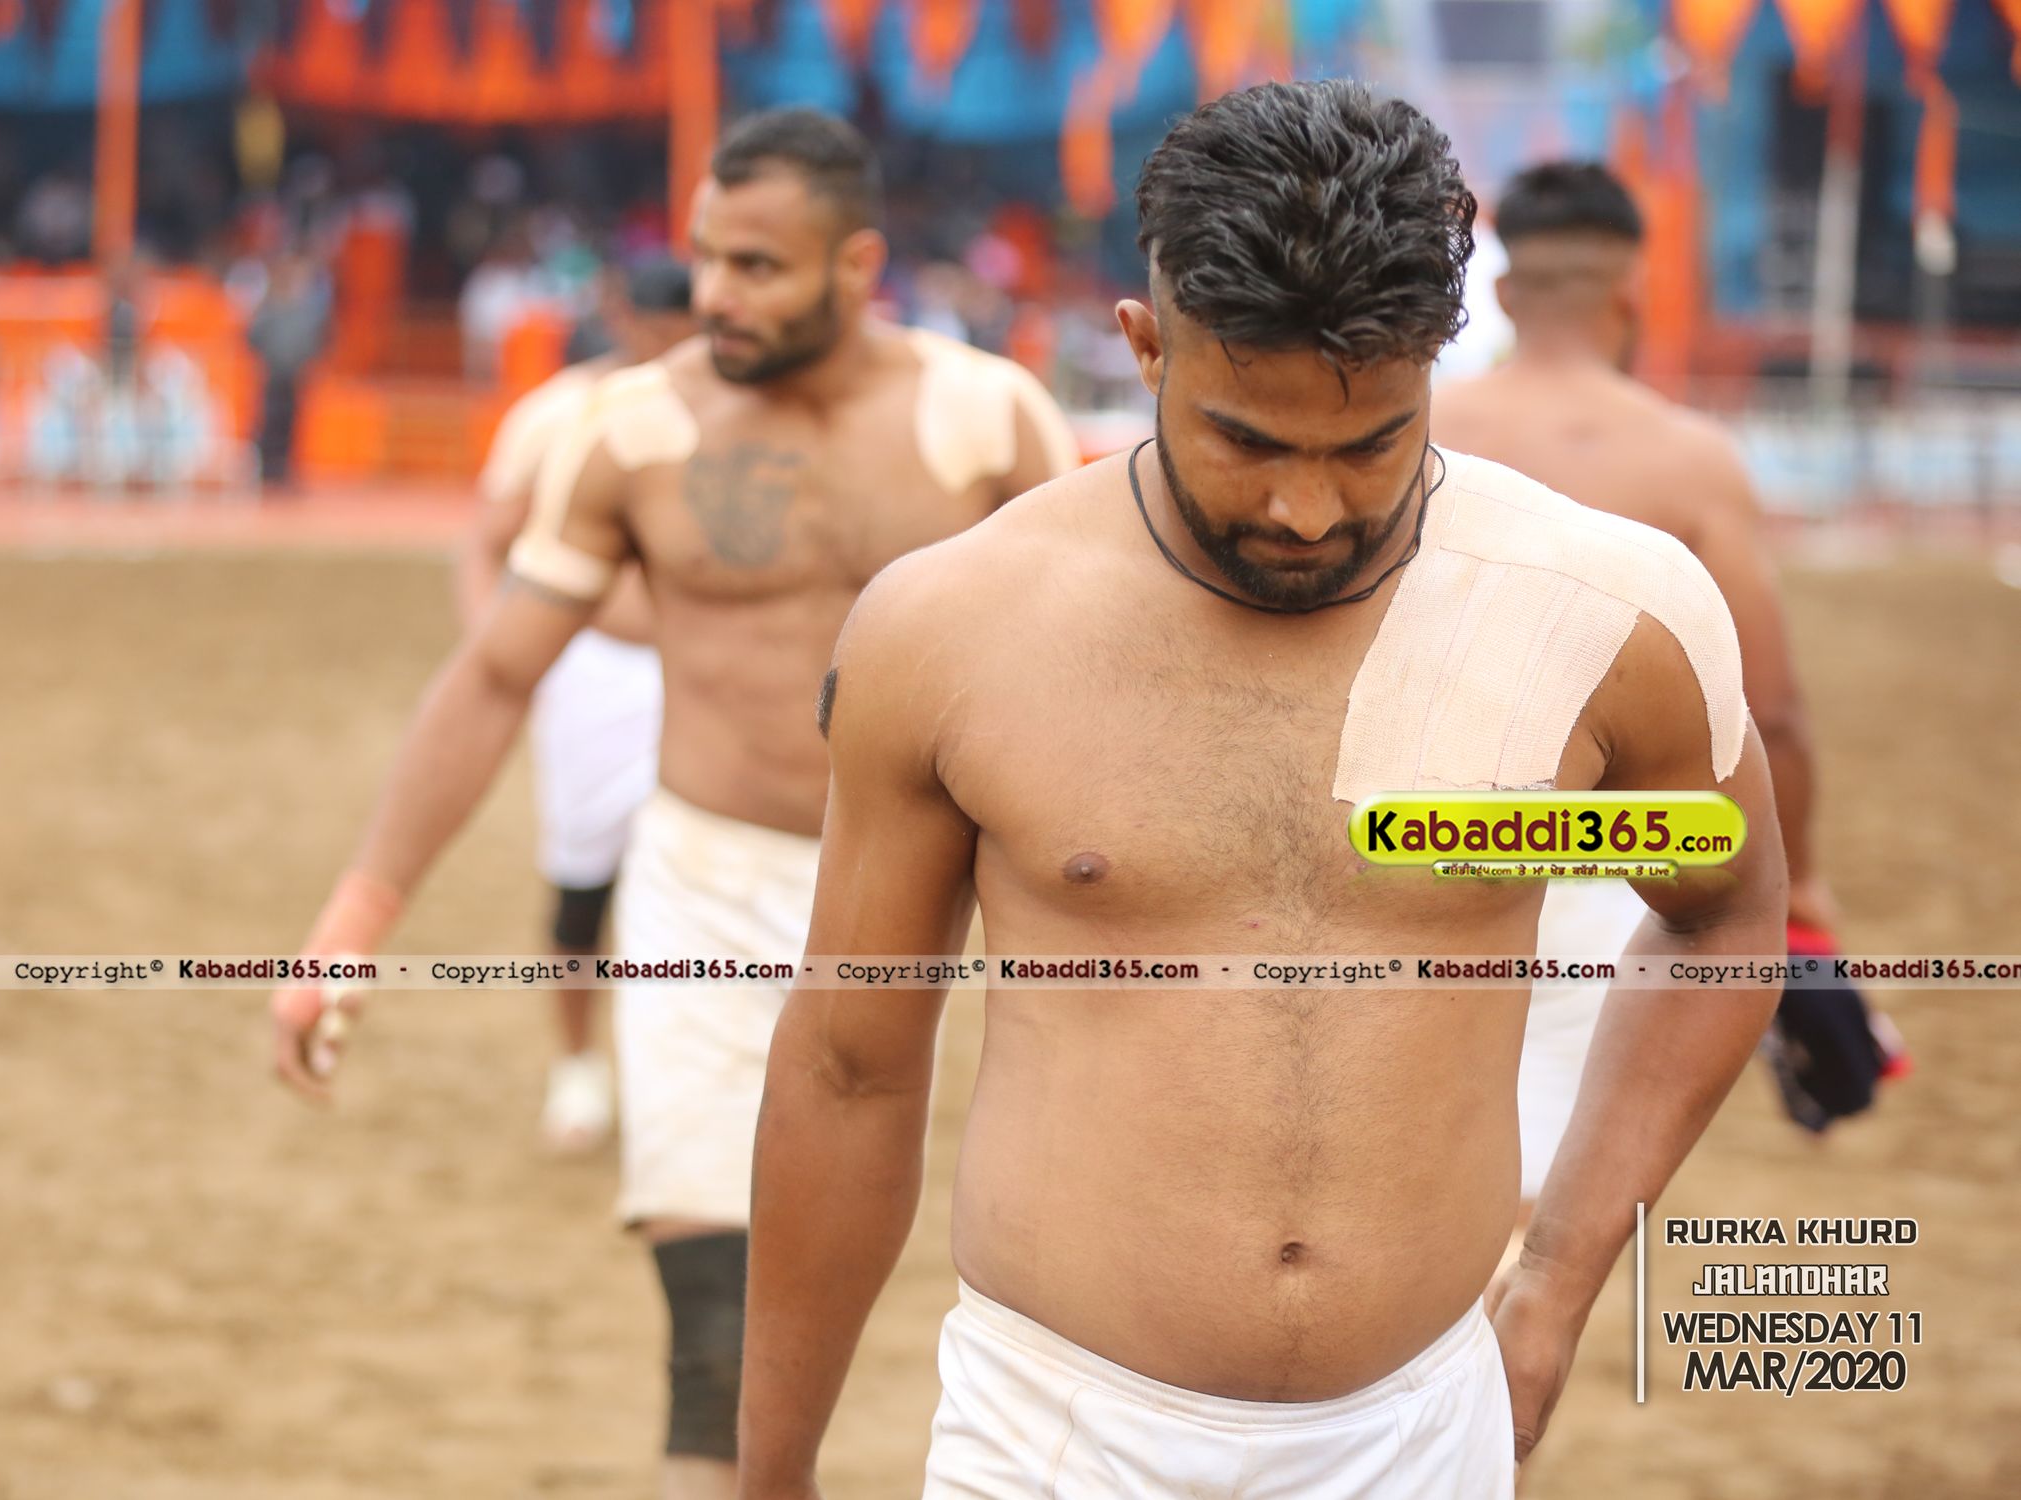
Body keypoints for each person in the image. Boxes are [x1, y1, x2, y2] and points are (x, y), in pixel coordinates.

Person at [739, 82, 1787, 1500]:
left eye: (1368, 446)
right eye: (1246, 441)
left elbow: (1724, 913)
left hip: (1421, 1429)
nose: (1307, 510)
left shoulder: (1605, 612)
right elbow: (848, 1066)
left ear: (1437, 359)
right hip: (1053, 1433)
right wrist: (772, 1474)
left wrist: (1553, 1280)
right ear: (1144, 345)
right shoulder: (954, 625)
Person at [267, 109, 1076, 1497]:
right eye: (704, 257)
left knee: (993, 1273)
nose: (715, 294)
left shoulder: (986, 418)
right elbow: (494, 675)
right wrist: (353, 918)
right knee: (711, 1323)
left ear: (856, 264)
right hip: (704, 879)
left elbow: (1100, 650)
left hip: (930, 893)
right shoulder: (632, 432)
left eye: (757, 266)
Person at [1431, 162, 1884, 1218]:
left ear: (1504, 293)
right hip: (1597, 858)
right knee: (1538, 1199)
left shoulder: (1418, 431)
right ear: (1632, 293)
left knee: (1424, 1182)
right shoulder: (1688, 461)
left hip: (1409, 844)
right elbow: (1767, 712)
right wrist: (1800, 891)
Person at [455, 257, 697, 1155]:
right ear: (621, 317)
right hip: (590, 670)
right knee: (584, 877)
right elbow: (487, 540)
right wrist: (502, 658)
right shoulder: (560, 414)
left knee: (699, 875)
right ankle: (576, 1067)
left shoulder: (735, 409)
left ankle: (680, 1075)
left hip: (705, 671)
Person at [247, 252, 328, 491]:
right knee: (268, 421)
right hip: (272, 374)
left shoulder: (305, 313)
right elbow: (253, 337)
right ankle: (265, 468)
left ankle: (284, 469)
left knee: (291, 424)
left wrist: (306, 362)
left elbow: (316, 341)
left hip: (295, 376)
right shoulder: (270, 309)